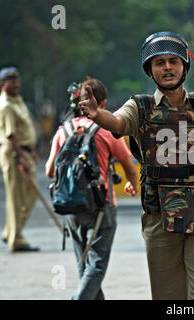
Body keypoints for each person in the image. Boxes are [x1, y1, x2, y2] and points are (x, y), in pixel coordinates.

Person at [78, 32, 194, 300]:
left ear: (184, 67)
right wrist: (98, 115)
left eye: (173, 61)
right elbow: (118, 123)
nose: (167, 67)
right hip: (159, 214)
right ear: (150, 70)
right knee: (168, 293)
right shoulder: (140, 107)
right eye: (160, 63)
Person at [45, 77, 139, 300]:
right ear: (102, 104)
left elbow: (50, 171)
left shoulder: (63, 131)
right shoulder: (106, 131)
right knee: (95, 267)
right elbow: (130, 167)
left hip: (70, 205)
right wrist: (132, 185)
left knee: (84, 266)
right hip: (101, 206)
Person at [0, 66, 40, 252]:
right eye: (10, 81)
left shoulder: (17, 101)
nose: (15, 84)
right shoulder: (5, 105)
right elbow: (11, 135)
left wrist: (31, 151)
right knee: (15, 198)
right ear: (1, 84)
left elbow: (23, 129)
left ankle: (10, 232)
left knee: (30, 195)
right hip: (14, 154)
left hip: (24, 151)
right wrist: (21, 157)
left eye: (16, 80)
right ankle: (15, 240)